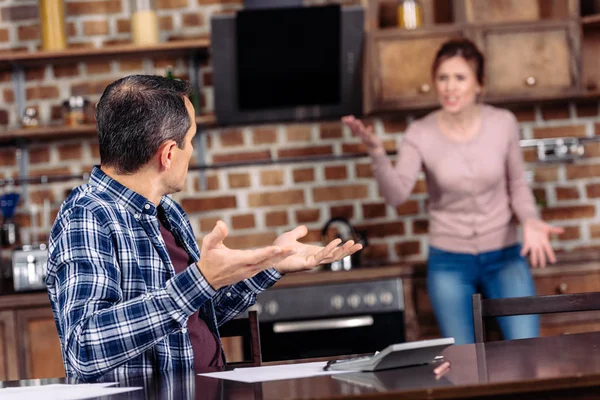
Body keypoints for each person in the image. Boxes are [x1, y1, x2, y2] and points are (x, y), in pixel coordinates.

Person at [46, 75, 362, 381]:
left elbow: (194, 317)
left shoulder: (167, 211)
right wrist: (201, 280)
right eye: (191, 140)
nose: (193, 151)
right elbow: (84, 348)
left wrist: (269, 265)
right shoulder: (87, 215)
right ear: (168, 154)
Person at [342, 38, 563, 345]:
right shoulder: (419, 133)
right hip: (449, 262)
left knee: (527, 350)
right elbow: (396, 195)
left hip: (505, 256)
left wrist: (530, 220)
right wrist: (377, 152)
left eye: (460, 78)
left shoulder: (503, 124)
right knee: (463, 362)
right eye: (443, 78)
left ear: (479, 84)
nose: (450, 87)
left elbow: (517, 186)